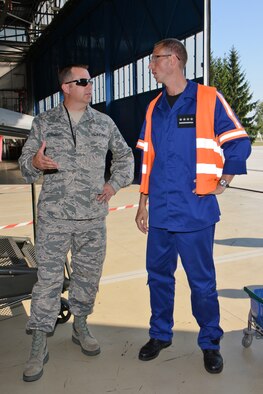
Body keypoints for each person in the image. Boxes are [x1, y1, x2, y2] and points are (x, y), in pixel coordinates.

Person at [135, 38, 251, 374]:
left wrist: (224, 182)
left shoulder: (208, 99)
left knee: (201, 281)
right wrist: (143, 204)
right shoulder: (154, 107)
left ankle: (210, 342)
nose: (151, 65)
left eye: (155, 59)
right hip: (160, 213)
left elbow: (238, 142)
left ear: (172, 60)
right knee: (158, 276)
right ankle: (160, 334)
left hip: (196, 211)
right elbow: (148, 160)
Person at [19, 64, 134, 382]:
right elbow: (25, 162)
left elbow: (125, 157)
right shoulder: (45, 122)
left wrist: (114, 184)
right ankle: (40, 343)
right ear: (66, 88)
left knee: (87, 276)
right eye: (82, 81)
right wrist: (35, 162)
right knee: (48, 282)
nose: (89, 85)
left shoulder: (104, 123)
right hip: (54, 218)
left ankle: (80, 325)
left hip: (92, 219)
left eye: (90, 81)